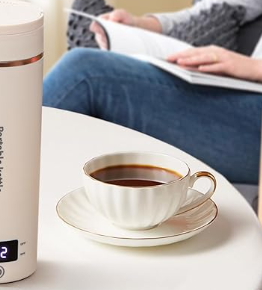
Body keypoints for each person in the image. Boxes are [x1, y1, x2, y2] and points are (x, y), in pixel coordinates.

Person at [43, 0, 262, 187]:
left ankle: (9, 181)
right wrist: (142, 26)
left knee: (84, 73)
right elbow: (231, 4)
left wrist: (252, 67)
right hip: (242, 89)